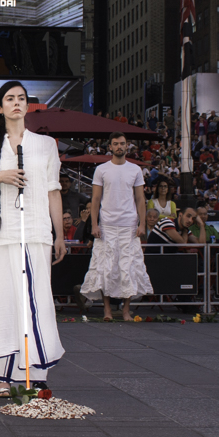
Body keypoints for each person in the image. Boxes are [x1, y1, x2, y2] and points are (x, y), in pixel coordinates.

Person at [0, 81, 65, 395]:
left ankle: (36, 374)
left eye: (21, 98)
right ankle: (2, 375)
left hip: (37, 233)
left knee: (37, 302)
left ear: (27, 105)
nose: (16, 103)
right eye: (9, 99)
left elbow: (53, 190)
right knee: (2, 303)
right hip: (2, 235)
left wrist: (59, 234)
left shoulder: (46, 145)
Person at [80, 133, 152, 321]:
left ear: (127, 146)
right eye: (115, 144)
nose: (119, 146)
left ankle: (126, 310)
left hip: (129, 225)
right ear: (110, 147)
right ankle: (107, 311)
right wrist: (94, 224)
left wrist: (142, 224)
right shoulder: (101, 170)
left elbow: (140, 199)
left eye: (122, 143)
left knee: (128, 266)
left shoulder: (135, 169)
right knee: (106, 267)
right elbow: (95, 199)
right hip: (107, 225)